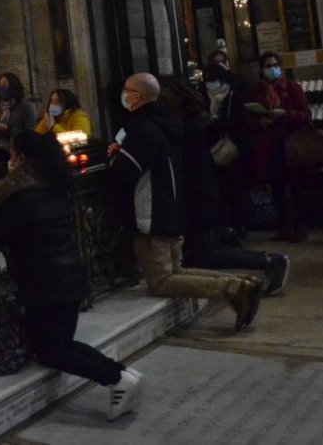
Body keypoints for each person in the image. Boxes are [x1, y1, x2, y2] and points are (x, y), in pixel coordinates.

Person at [0, 131, 142, 421]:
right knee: (61, 343)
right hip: (66, 278)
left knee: (54, 351)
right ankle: (122, 374)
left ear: (21, 159)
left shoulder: (20, 195)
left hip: (45, 284)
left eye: (12, 154)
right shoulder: (54, 185)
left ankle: (117, 378)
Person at [109, 73, 262, 333]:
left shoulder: (142, 127)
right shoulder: (168, 122)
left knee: (161, 281)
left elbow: (124, 173)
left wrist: (116, 156)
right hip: (174, 207)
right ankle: (242, 282)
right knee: (178, 270)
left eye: (126, 90)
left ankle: (233, 288)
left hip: (152, 214)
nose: (123, 95)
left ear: (137, 96)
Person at [162, 79, 290, 296]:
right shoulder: (192, 121)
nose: (164, 102)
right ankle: (262, 266)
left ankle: (269, 262)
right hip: (202, 192)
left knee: (204, 252)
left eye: (167, 97)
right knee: (204, 249)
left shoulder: (189, 126)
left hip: (198, 194)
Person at [247, 51, 312, 242]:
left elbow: (305, 114)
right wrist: (261, 122)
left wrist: (285, 114)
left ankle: (300, 227)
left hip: (290, 143)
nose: (272, 69)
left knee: (296, 187)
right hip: (269, 145)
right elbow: (248, 119)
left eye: (275, 65)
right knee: (276, 188)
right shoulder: (257, 92)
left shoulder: (292, 88)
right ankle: (283, 226)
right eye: (267, 66)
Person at [203, 62, 251, 238]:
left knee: (234, 189)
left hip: (232, 149)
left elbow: (237, 123)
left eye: (212, 79)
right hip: (217, 149)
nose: (209, 83)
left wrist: (213, 123)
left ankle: (238, 224)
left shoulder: (231, 97)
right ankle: (228, 225)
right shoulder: (208, 97)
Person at [0, 72, 37, 149]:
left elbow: (30, 134)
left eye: (4, 85)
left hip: (18, 150)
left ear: (13, 86)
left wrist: (8, 129)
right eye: (0, 85)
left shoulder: (25, 106)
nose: (1, 88)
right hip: (0, 150)